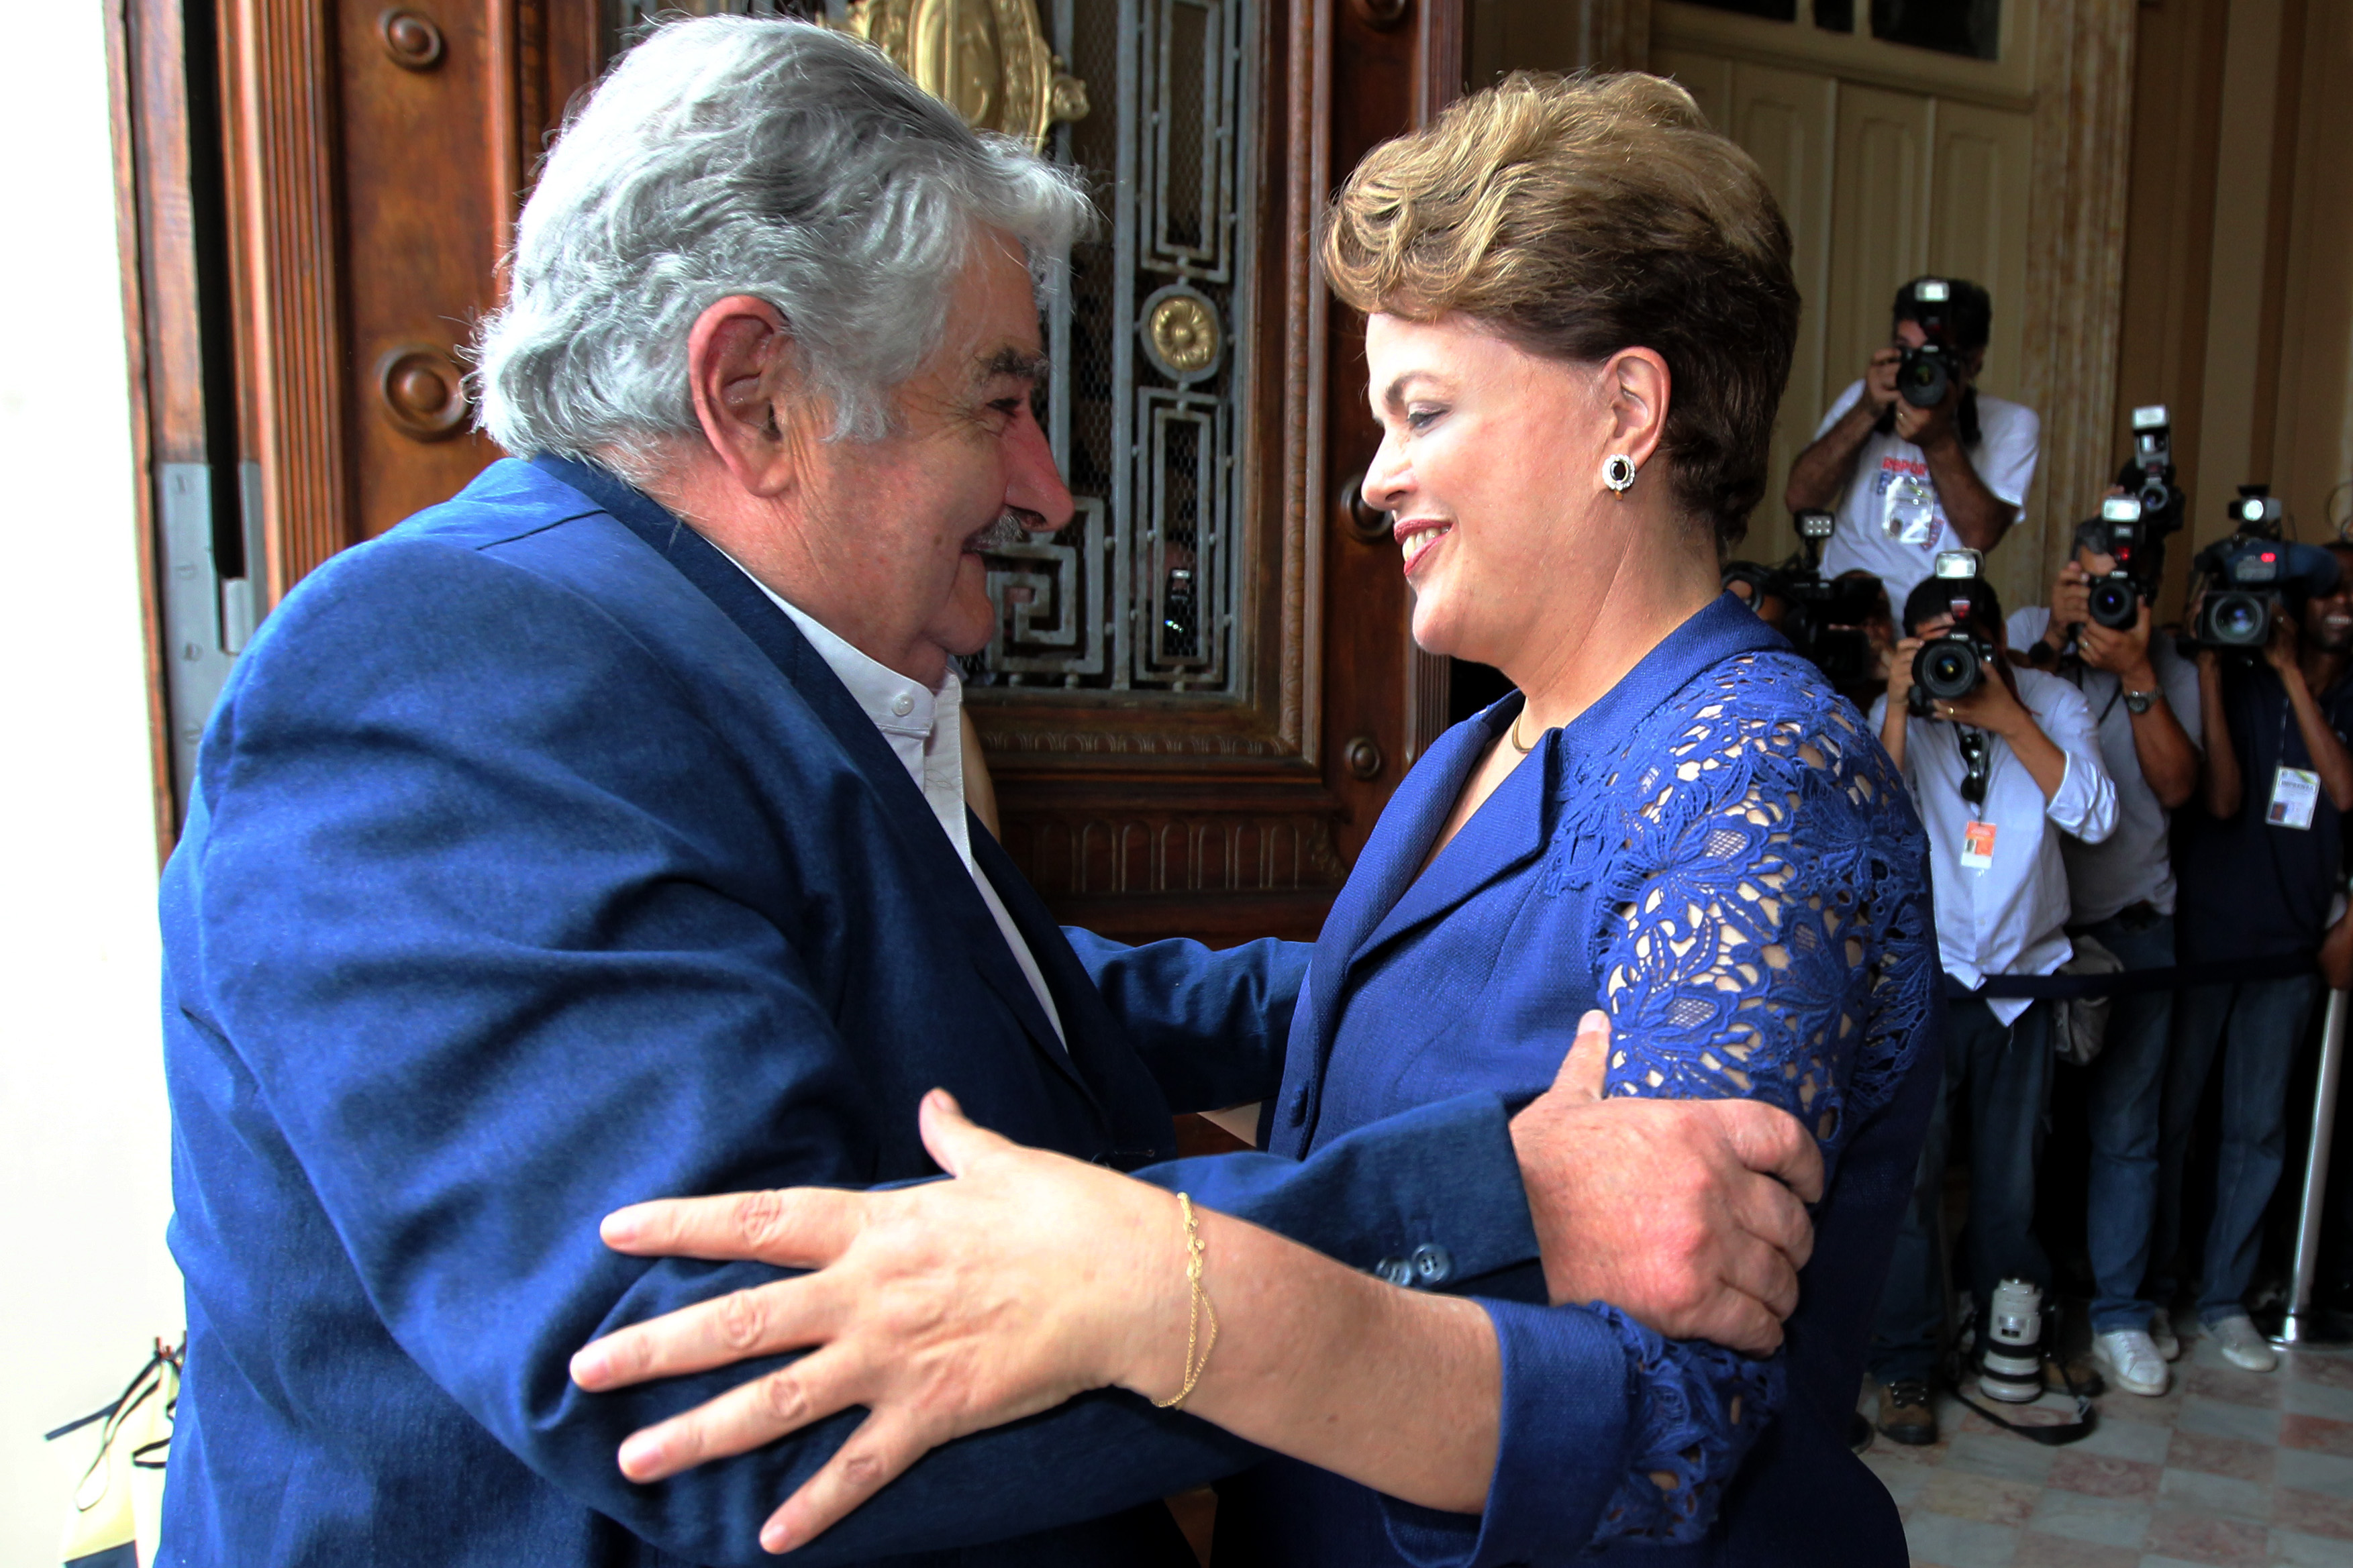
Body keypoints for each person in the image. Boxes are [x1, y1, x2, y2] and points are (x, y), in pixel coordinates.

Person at [152, 23, 1829, 1567]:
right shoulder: (442, 672)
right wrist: (1493, 1197)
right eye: (1002, 400)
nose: (1046, 490)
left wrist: (1402, 997)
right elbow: (723, 1364)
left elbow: (978, 997)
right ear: (754, 398)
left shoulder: (697, 658)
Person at [568, 71, 1941, 1565]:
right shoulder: (1475, 747)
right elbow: (1382, 1038)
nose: (1376, 479)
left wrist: (1160, 1290)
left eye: (1421, 410)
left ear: (1626, 406)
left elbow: (1667, 1439)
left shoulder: (1758, 775)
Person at [1864, 570, 2117, 1444]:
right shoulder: (1898, 711)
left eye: (1968, 644)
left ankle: (2003, 1338)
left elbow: (2094, 815)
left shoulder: (2048, 700)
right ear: (1907, 646)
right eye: (1935, 647)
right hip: (1927, 980)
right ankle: (1902, 1365)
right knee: (1910, 1185)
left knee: (2012, 1181)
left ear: (2004, 640)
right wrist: (1898, 706)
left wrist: (2009, 717)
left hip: (2022, 980)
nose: (1954, 664)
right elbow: (1870, 831)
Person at [2007, 517, 2203, 1396]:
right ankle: (2021, 1310)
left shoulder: (2171, 664)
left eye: (2117, 584)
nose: (2103, 600)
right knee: (2026, 1136)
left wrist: (2131, 673)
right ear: (2061, 578)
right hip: (2032, 936)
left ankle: (2121, 1313)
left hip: (2131, 927)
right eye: (2086, 582)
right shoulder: (2017, 639)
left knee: (2127, 1132)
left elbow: (2179, 788)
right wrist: (2054, 636)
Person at [2156, 541, 2353, 1373]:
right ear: (2294, 603)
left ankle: (2227, 1299)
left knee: (2256, 1130)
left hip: (2290, 940)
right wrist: (2211, 666)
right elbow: (2223, 796)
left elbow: (2342, 789)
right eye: (2329, 591)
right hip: (2202, 934)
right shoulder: (2229, 669)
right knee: (2170, 1124)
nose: (2342, 604)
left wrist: (2289, 678)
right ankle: (2155, 1289)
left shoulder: (2339, 691)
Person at [1785, 278, 2040, 605]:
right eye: (1906, 351)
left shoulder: (2011, 424)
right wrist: (1866, 410)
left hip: (1933, 615)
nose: (1919, 368)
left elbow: (1980, 535)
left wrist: (1938, 440)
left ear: (1974, 360)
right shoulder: (1864, 400)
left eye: (1935, 356)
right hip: (1846, 605)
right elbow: (1800, 498)